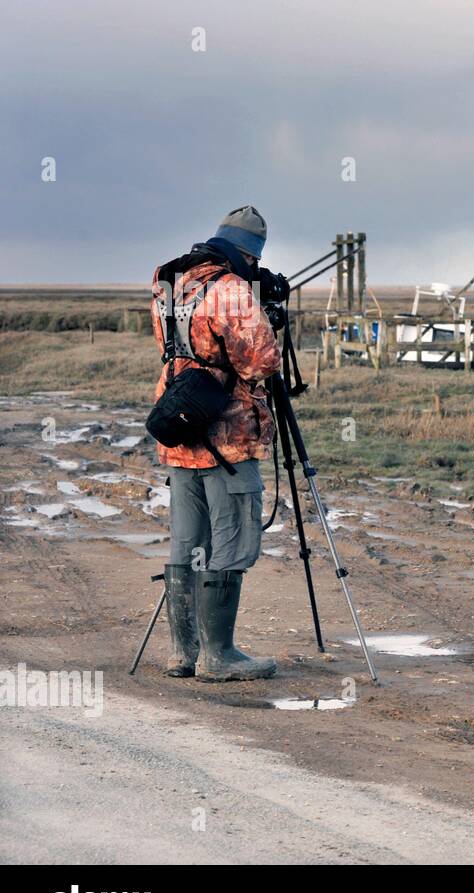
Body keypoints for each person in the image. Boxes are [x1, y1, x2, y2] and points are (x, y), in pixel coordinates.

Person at [150, 206, 282, 681]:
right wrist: (266, 318)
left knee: (188, 541)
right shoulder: (231, 290)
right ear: (248, 254)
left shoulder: (169, 281)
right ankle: (219, 655)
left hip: (180, 427)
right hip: (226, 440)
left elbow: (173, 346)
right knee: (231, 540)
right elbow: (262, 362)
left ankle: (182, 653)